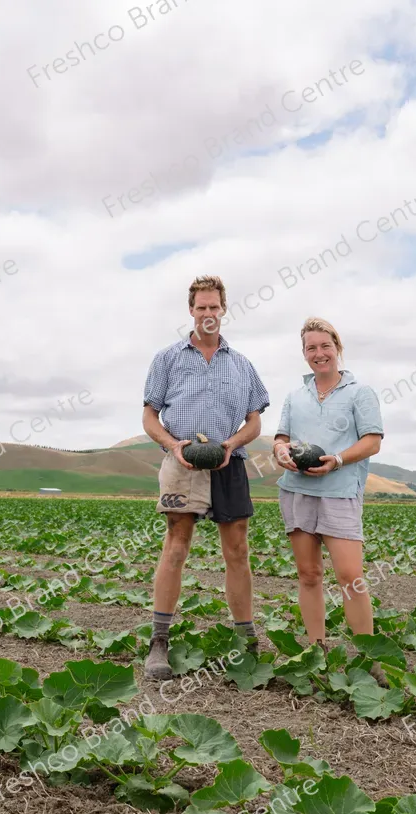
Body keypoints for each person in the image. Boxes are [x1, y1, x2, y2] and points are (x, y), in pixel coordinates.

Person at [141, 275, 270, 681]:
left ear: (224, 309)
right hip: (183, 462)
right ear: (191, 310)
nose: (208, 314)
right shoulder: (167, 359)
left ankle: (246, 642)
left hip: (228, 461)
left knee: (237, 551)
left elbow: (255, 421)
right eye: (201, 307)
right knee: (175, 548)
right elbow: (149, 417)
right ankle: (159, 642)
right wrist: (173, 445)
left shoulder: (241, 364)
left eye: (214, 307)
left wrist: (231, 445)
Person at [272, 317, 384, 649]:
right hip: (297, 491)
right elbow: (281, 437)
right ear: (304, 352)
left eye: (325, 346)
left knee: (351, 578)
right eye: (311, 348)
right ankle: (316, 651)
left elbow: (372, 441)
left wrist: (336, 460)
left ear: (337, 348)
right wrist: (280, 451)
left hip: (340, 492)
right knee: (309, 576)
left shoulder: (360, 393)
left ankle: (368, 657)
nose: (319, 353)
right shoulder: (295, 396)